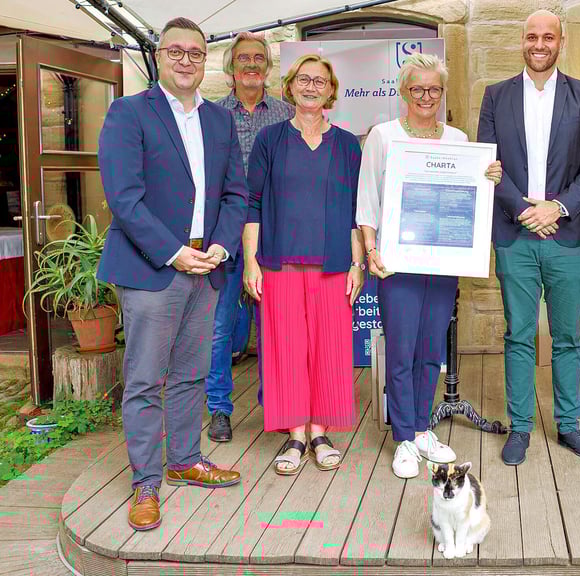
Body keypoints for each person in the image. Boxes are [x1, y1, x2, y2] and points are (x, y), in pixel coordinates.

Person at [97, 17, 246, 532]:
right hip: (151, 268)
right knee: (144, 380)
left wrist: (222, 246)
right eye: (176, 51)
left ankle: (184, 459)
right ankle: (145, 482)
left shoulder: (221, 122)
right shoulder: (128, 112)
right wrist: (173, 251)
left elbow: (235, 193)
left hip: (208, 266)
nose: (187, 60)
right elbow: (124, 197)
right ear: (160, 57)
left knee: (191, 374)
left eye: (196, 53)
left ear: (206, 61)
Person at [356, 53, 504, 478]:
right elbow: (367, 200)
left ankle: (422, 430)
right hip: (396, 263)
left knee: (429, 352)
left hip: (443, 263)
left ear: (442, 93)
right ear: (404, 92)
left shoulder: (458, 140)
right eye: (417, 89)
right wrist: (371, 249)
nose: (426, 96)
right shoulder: (382, 137)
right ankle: (403, 438)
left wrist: (487, 176)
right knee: (400, 350)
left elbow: (471, 201)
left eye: (433, 89)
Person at [477, 10, 580, 466]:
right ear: (522, 41)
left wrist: (557, 207)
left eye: (547, 37)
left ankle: (569, 426)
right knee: (519, 334)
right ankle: (520, 428)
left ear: (561, 42)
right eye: (532, 36)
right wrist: (524, 209)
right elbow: (488, 163)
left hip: (568, 233)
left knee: (568, 336)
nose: (539, 44)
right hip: (515, 233)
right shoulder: (496, 97)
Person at [243, 54, 364, 475]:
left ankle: (320, 431)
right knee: (287, 350)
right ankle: (295, 435)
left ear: (331, 91)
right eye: (304, 80)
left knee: (330, 349)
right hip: (278, 263)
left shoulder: (348, 144)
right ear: (290, 86)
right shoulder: (270, 140)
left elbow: (354, 210)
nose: (311, 87)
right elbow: (252, 203)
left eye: (320, 81)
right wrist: (250, 263)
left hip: (333, 265)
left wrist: (357, 263)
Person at [206, 31, 295, 443]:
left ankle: (272, 405)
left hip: (271, 235)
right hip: (223, 234)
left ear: (268, 68)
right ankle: (219, 408)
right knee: (221, 326)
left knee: (272, 326)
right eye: (244, 59)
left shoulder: (286, 114)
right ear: (231, 68)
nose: (252, 65)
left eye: (259, 59)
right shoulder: (212, 115)